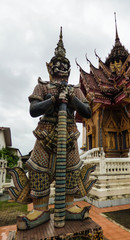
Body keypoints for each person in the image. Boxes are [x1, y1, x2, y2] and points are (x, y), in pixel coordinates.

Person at [8, 27, 96, 230]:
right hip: (46, 134)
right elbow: (33, 110)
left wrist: (72, 98)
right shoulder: (42, 86)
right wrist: (54, 99)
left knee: (72, 171)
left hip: (69, 135)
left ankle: (68, 206)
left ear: (69, 69)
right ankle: (40, 209)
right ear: (49, 67)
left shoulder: (75, 89)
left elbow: (88, 111)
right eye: (56, 63)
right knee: (39, 171)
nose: (60, 65)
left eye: (64, 63)